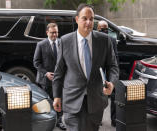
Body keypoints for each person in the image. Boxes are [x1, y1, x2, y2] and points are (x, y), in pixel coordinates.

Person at [52, 3, 119, 131]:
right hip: (72, 99)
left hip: (96, 100)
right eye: (84, 18)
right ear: (77, 19)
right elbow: (59, 72)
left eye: (91, 19)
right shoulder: (65, 41)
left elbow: (113, 66)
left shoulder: (104, 40)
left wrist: (112, 83)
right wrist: (56, 96)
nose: (88, 22)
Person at [33, 23, 66, 130]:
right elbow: (36, 62)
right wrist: (46, 73)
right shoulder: (41, 45)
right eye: (52, 32)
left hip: (60, 79)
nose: (55, 35)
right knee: (47, 101)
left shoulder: (62, 43)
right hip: (46, 79)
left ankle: (59, 121)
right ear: (47, 32)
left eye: (56, 32)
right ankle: (47, 122)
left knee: (60, 99)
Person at [97, 20, 118, 127]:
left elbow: (115, 58)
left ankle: (114, 120)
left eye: (106, 29)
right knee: (99, 97)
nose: (105, 31)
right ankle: (98, 119)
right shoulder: (94, 39)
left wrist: (115, 74)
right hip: (99, 73)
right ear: (97, 29)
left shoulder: (112, 40)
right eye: (102, 29)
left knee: (114, 97)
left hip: (109, 73)